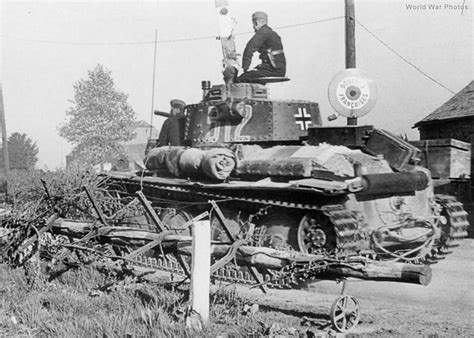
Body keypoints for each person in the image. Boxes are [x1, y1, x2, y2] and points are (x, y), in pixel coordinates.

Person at [236, 11, 286, 83]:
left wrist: (245, 68)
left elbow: (249, 49)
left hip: (271, 70)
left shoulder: (263, 32)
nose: (253, 27)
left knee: (241, 79)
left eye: (253, 24)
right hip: (280, 70)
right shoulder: (273, 34)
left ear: (256, 23)